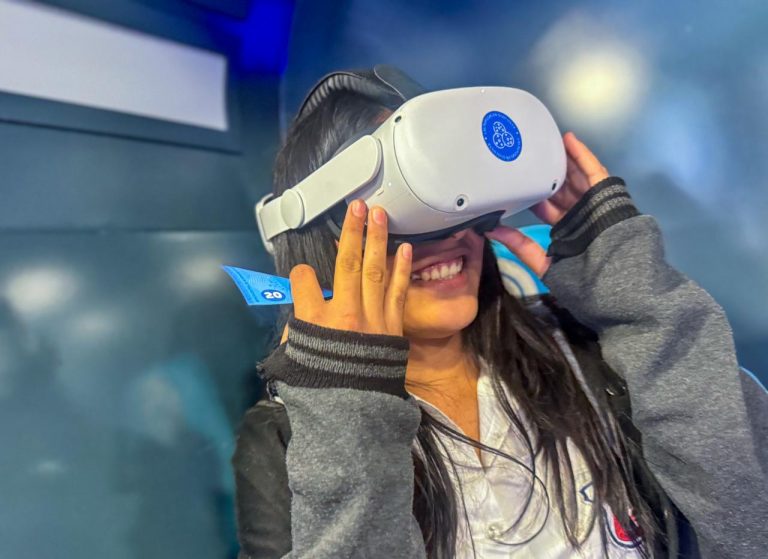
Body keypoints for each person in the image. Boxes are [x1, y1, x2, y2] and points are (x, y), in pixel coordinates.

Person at [231, 71, 768, 559]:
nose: (450, 237)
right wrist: (349, 414)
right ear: (325, 240)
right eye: (403, 216)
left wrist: (641, 304)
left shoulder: (589, 351)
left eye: (458, 201)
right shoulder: (288, 439)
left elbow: (750, 522)